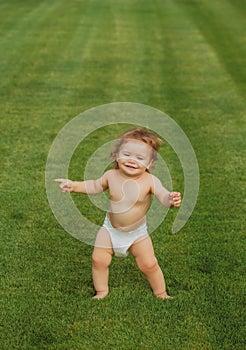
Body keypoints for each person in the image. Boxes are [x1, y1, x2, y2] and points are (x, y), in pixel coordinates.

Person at [55, 128, 181, 299]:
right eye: (127, 154)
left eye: (140, 158)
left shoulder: (150, 181)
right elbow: (94, 186)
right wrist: (73, 185)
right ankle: (101, 291)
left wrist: (170, 199)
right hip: (110, 230)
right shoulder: (111, 176)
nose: (132, 160)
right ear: (116, 155)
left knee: (149, 264)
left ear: (149, 163)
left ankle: (161, 293)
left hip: (137, 234)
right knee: (99, 260)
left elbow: (162, 195)